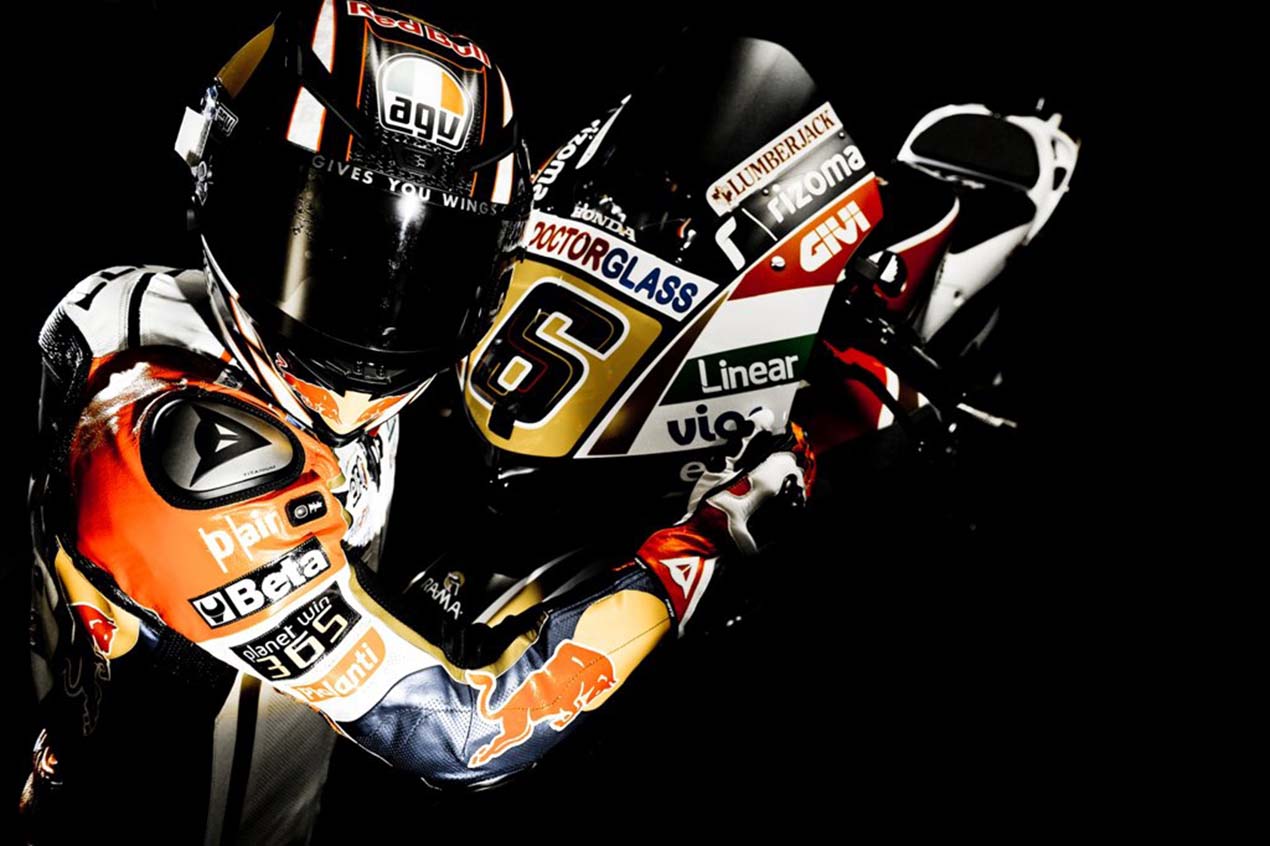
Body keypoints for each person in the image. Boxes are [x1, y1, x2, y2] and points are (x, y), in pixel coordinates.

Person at [21, 3, 815, 842]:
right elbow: (466, 732)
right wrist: (709, 542)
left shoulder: (131, 300)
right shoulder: (179, 461)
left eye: (429, 265)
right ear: (225, 186)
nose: (379, 309)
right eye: (332, 246)